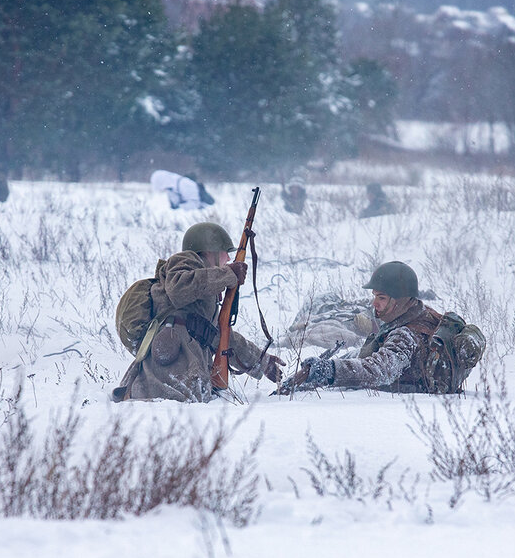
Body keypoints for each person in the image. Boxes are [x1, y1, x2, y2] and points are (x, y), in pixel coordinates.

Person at [112, 222, 283, 402]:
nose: (229, 259)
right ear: (211, 251)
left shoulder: (203, 289)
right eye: (226, 253)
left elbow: (220, 335)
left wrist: (261, 362)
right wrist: (227, 274)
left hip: (182, 377)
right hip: (164, 378)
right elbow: (178, 288)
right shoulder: (186, 261)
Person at [290, 261, 483, 394]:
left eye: (381, 298)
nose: (374, 303)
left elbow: (379, 370)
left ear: (400, 299)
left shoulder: (406, 335)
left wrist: (329, 370)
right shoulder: (421, 312)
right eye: (375, 296)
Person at [150, 169, 215, 210]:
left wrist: (180, 208)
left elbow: (195, 204)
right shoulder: (172, 187)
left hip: (198, 212)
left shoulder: (185, 184)